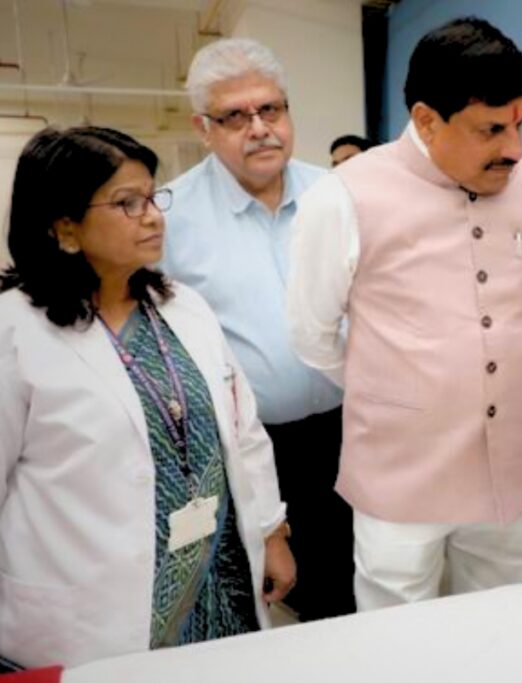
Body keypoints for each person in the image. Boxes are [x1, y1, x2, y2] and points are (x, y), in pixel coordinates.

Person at [287, 16, 522, 611]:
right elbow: (313, 335)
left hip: (512, 475)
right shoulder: (344, 196)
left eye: (521, 124)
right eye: (492, 129)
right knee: (396, 636)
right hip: (400, 478)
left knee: (502, 622)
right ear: (426, 120)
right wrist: (399, 388)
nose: (515, 149)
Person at [0, 127, 295, 669]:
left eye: (153, 196)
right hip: (93, 611)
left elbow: (245, 431)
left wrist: (271, 531)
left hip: (219, 584)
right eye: (127, 203)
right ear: (65, 227)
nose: (154, 216)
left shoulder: (184, 307)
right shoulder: (14, 332)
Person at [160, 38, 352, 620]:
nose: (260, 128)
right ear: (204, 128)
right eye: (235, 117)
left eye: (271, 109)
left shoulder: (338, 195)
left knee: (356, 585)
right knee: (272, 596)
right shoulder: (170, 217)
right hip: (252, 447)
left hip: (354, 430)